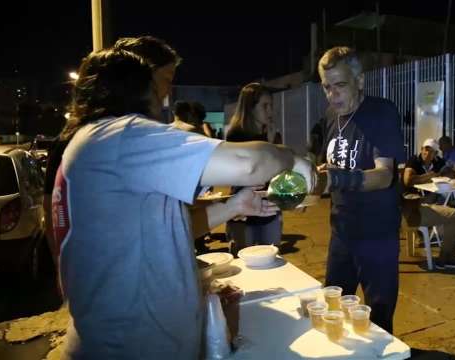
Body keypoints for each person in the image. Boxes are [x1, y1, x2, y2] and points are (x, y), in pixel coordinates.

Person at [55, 49, 315, 359]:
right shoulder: (121, 135)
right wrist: (292, 158)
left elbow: (167, 229)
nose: (166, 95)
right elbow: (248, 163)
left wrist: (234, 206)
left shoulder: (96, 143)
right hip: (133, 347)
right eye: (162, 83)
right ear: (143, 90)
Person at [43, 36, 183, 264]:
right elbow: (54, 214)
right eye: (166, 79)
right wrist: (65, 275)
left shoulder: (96, 135)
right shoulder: (104, 138)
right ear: (140, 78)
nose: (167, 92)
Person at [314, 46, 405, 333]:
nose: (333, 95)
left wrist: (336, 179)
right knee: (333, 307)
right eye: (327, 87)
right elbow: (329, 166)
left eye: (340, 85)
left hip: (377, 235)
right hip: (341, 231)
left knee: (377, 317)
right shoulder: (330, 116)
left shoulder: (381, 112)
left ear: (360, 81)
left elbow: (384, 175)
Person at [225, 83, 283, 253]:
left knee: (271, 255)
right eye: (265, 106)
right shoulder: (236, 135)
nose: (270, 111)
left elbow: (277, 170)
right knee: (243, 258)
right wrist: (269, 145)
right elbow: (251, 171)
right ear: (250, 107)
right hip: (243, 207)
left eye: (271, 105)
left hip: (269, 205)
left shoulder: (270, 132)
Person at [403, 138, 455, 269]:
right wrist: (431, 175)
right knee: (453, 215)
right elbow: (408, 180)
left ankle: (449, 253)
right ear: (421, 149)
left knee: (451, 205)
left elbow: (450, 174)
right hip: (413, 202)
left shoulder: (438, 161)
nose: (427, 153)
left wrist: (451, 174)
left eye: (431, 151)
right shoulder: (414, 160)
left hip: (429, 198)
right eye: (425, 149)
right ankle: (446, 257)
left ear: (436, 153)